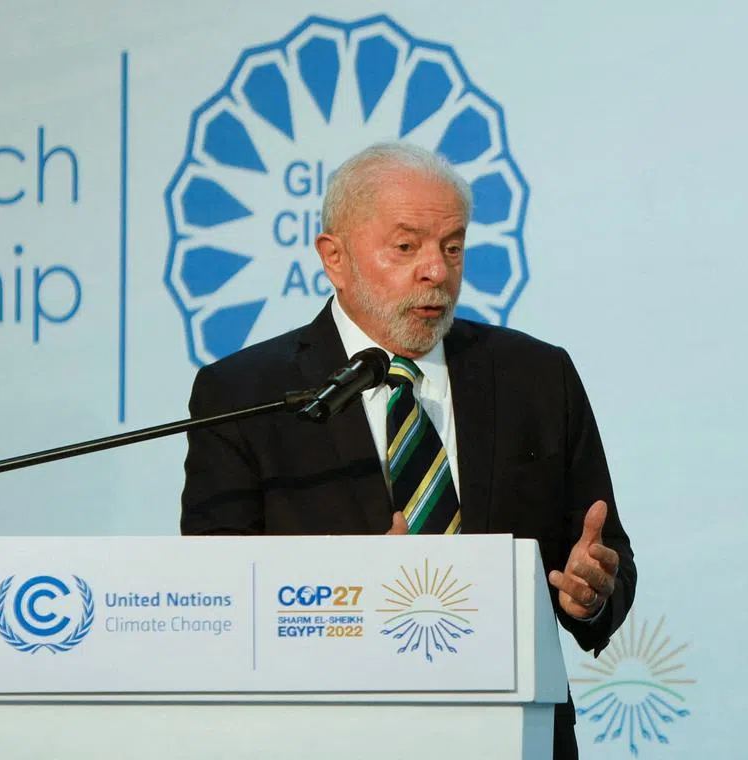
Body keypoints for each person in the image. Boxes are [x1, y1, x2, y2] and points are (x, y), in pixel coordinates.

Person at [181, 142, 635, 759]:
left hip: (512, 736)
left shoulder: (535, 376)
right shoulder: (246, 395)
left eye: (452, 247)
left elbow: (607, 557)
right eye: (405, 247)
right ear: (335, 258)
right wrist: (353, 594)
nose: (437, 272)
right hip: (330, 737)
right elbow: (217, 598)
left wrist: (592, 594)